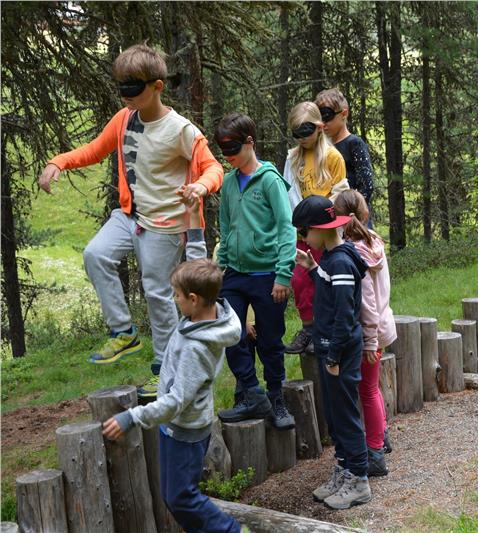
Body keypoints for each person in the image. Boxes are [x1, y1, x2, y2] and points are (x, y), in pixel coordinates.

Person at [37, 43, 223, 401]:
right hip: (129, 215)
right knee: (95, 255)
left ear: (157, 86)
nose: (126, 96)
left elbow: (213, 167)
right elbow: (95, 149)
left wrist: (200, 186)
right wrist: (58, 162)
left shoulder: (181, 130)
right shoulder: (124, 118)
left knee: (157, 294)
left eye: (134, 89)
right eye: (122, 87)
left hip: (164, 225)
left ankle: (164, 371)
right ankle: (123, 332)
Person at [101, 196, 244, 533]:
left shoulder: (197, 347)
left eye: (176, 295)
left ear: (193, 299)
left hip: (185, 428)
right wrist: (193, 219)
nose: (174, 299)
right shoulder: (206, 310)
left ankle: (231, 531)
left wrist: (131, 417)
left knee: (181, 497)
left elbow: (177, 400)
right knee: (175, 494)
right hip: (177, 425)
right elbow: (197, 258)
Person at [212, 113, 297, 429]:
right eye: (223, 150)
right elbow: (225, 226)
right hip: (234, 274)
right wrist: (220, 269)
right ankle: (250, 393)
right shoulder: (228, 183)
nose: (228, 155)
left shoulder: (271, 181)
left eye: (233, 148)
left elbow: (286, 227)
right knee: (230, 332)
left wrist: (283, 274)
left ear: (250, 142)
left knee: (270, 341)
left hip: (268, 275)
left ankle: (276, 400)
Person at [293, 195, 371, 510]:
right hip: (330, 348)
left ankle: (359, 479)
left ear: (319, 229)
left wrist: (335, 355)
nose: (301, 238)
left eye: (303, 231)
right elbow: (329, 291)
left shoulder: (340, 262)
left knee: (346, 415)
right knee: (334, 415)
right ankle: (344, 469)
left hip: (339, 349)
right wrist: (313, 269)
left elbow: (344, 315)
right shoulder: (330, 257)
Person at [333, 190, 397, 476]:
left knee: (367, 390)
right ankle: (381, 435)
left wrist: (369, 340)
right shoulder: (373, 241)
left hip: (370, 331)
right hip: (381, 325)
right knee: (372, 388)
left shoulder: (355, 252)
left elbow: (367, 301)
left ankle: (374, 453)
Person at [283, 102, 349, 356]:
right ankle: (309, 328)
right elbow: (289, 192)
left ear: (320, 127)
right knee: (300, 280)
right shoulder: (293, 158)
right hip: (303, 231)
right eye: (296, 133)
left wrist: (320, 215)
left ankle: (325, 329)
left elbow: (341, 194)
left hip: (326, 231)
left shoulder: (333, 157)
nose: (302, 138)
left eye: (306, 132)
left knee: (324, 279)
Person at [314, 88, 375, 217]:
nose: (323, 124)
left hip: (353, 217)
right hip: (329, 215)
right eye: (320, 119)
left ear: (344, 114)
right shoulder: (322, 148)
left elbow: (366, 186)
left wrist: (354, 213)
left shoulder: (354, 144)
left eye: (327, 117)